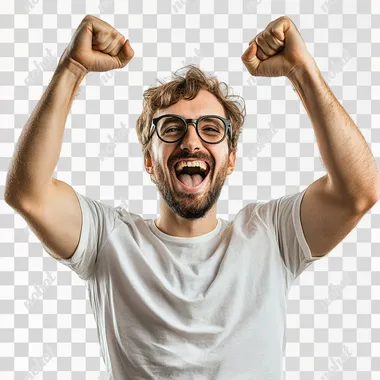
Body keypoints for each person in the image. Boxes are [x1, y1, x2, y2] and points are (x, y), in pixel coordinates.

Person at [5, 14, 379, 380]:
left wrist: (302, 71)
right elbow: (28, 193)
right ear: (149, 161)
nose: (191, 141)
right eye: (171, 128)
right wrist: (71, 67)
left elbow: (358, 191)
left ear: (230, 160)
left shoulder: (271, 236)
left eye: (211, 129)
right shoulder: (107, 239)